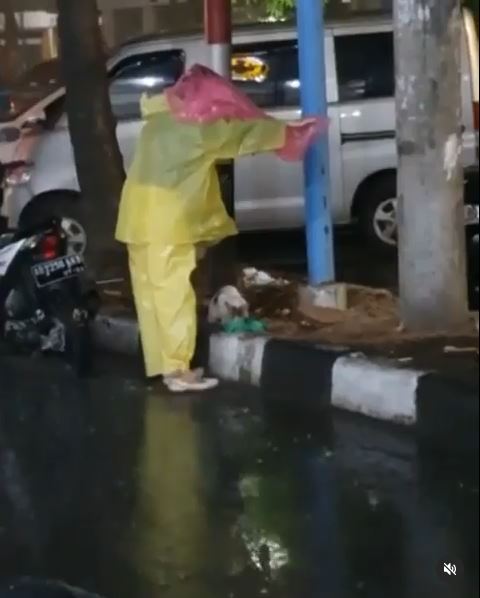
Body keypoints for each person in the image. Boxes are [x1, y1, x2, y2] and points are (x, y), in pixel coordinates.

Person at [116, 65, 325, 392]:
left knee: (150, 296)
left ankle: (161, 366)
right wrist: (289, 131)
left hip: (134, 218)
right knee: (173, 296)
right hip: (168, 222)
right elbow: (241, 136)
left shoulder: (157, 122)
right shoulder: (199, 130)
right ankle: (178, 371)